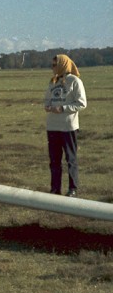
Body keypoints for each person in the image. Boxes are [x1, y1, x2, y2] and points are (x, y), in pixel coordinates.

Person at [44, 54, 87, 197]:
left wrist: (63, 108)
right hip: (52, 127)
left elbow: (81, 103)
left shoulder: (75, 81)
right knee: (54, 160)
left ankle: (72, 189)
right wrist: (49, 107)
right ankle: (55, 189)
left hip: (68, 127)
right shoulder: (53, 82)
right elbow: (47, 101)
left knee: (71, 159)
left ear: (62, 65)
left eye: (54, 65)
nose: (52, 68)